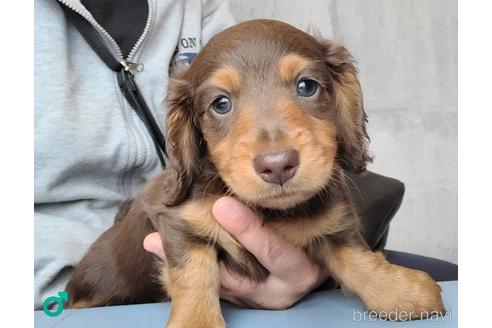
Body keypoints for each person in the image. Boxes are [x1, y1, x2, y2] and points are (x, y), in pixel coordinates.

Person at [34, 0, 325, 310]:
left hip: (229, 276)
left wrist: (309, 259)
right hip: (58, 299)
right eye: (221, 103)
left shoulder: (199, 5)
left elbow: (258, 117)